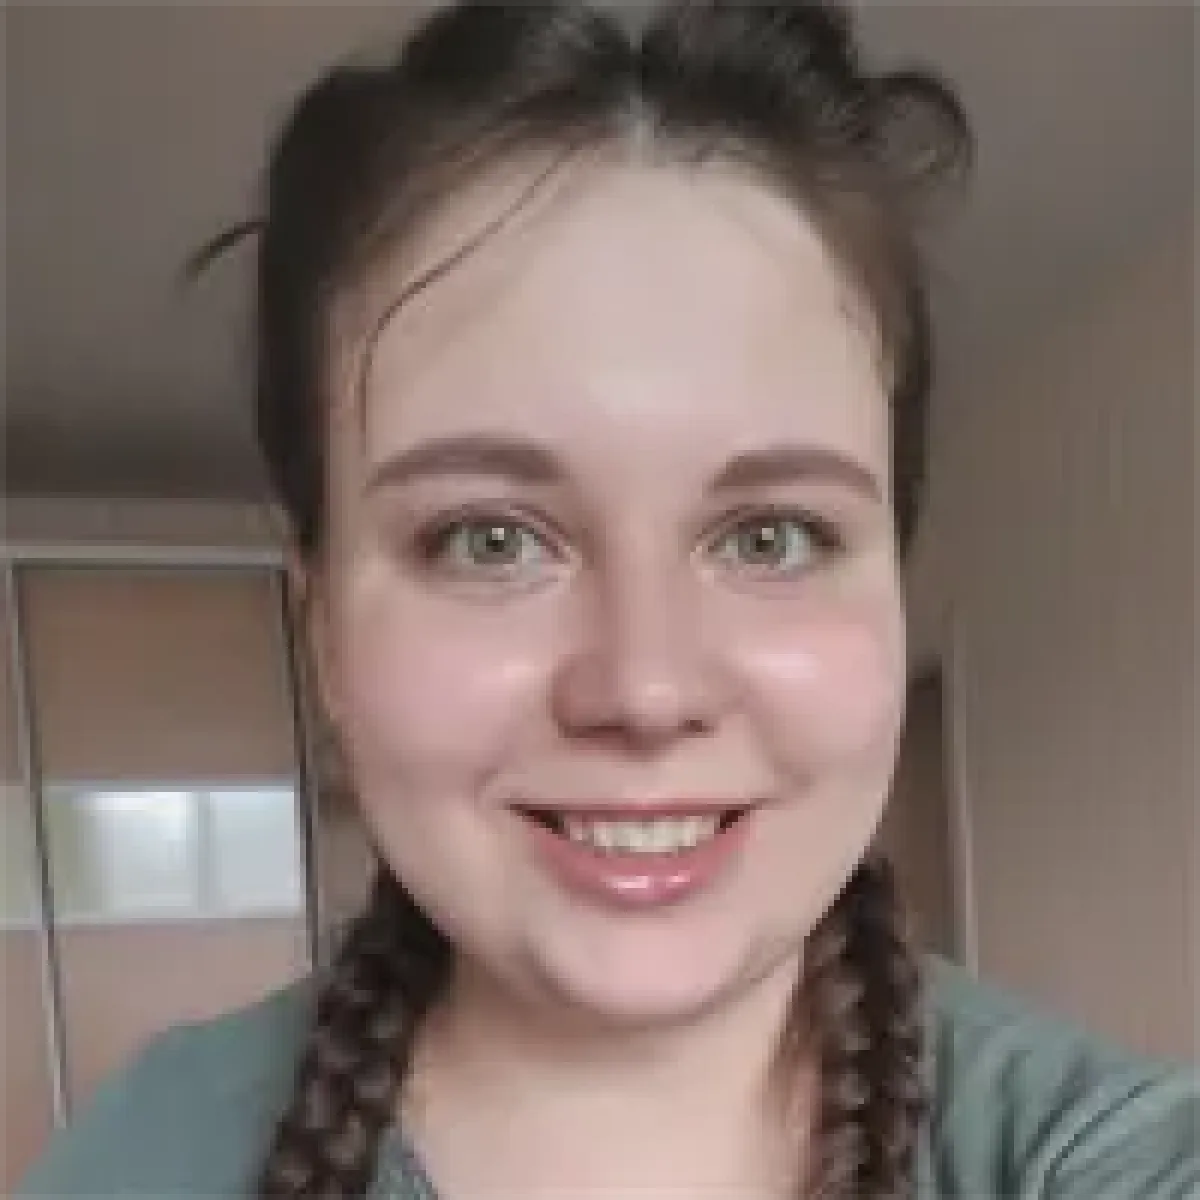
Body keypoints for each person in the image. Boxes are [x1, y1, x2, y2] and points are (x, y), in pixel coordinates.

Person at [19, 1, 1200, 1197]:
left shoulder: (1103, 1156)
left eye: (771, 536)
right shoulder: (148, 1157)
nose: (645, 687)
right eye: (488, 540)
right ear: (320, 625)